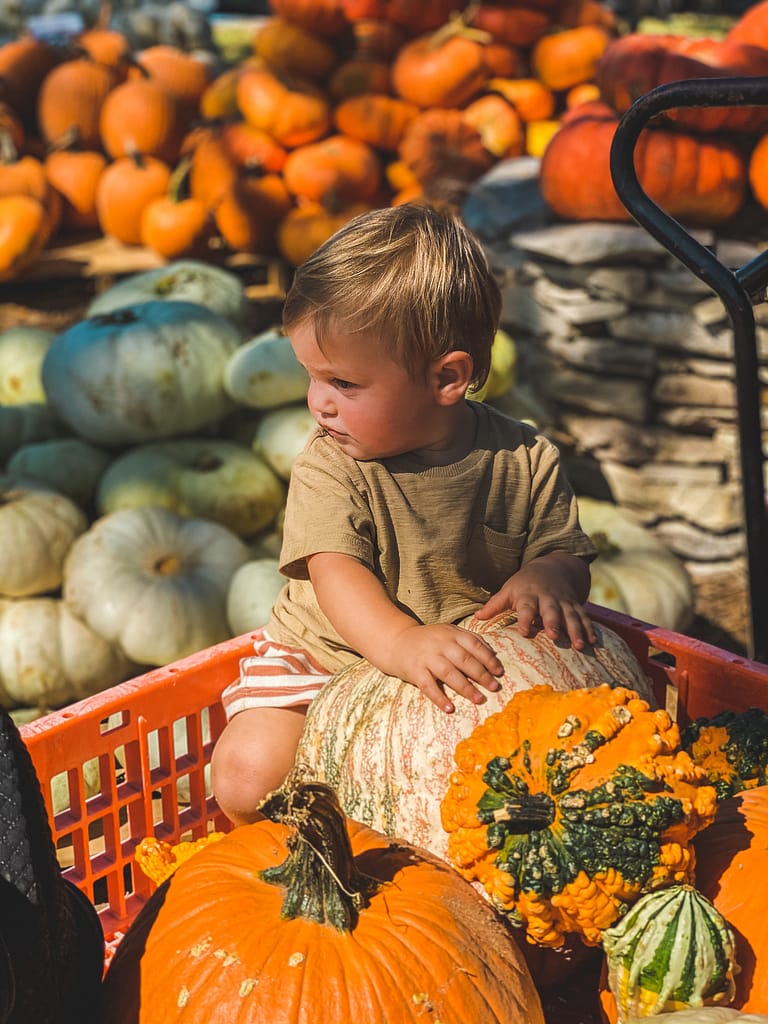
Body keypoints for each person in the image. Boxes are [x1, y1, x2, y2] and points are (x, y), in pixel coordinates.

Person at [210, 202, 598, 826]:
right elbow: (335, 571)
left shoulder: (526, 458)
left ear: (447, 378)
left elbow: (565, 550)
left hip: (463, 675)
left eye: (343, 383)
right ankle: (299, 859)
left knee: (506, 804)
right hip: (330, 662)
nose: (318, 404)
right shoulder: (331, 466)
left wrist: (550, 575)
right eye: (311, 377)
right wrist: (398, 641)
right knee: (249, 774)